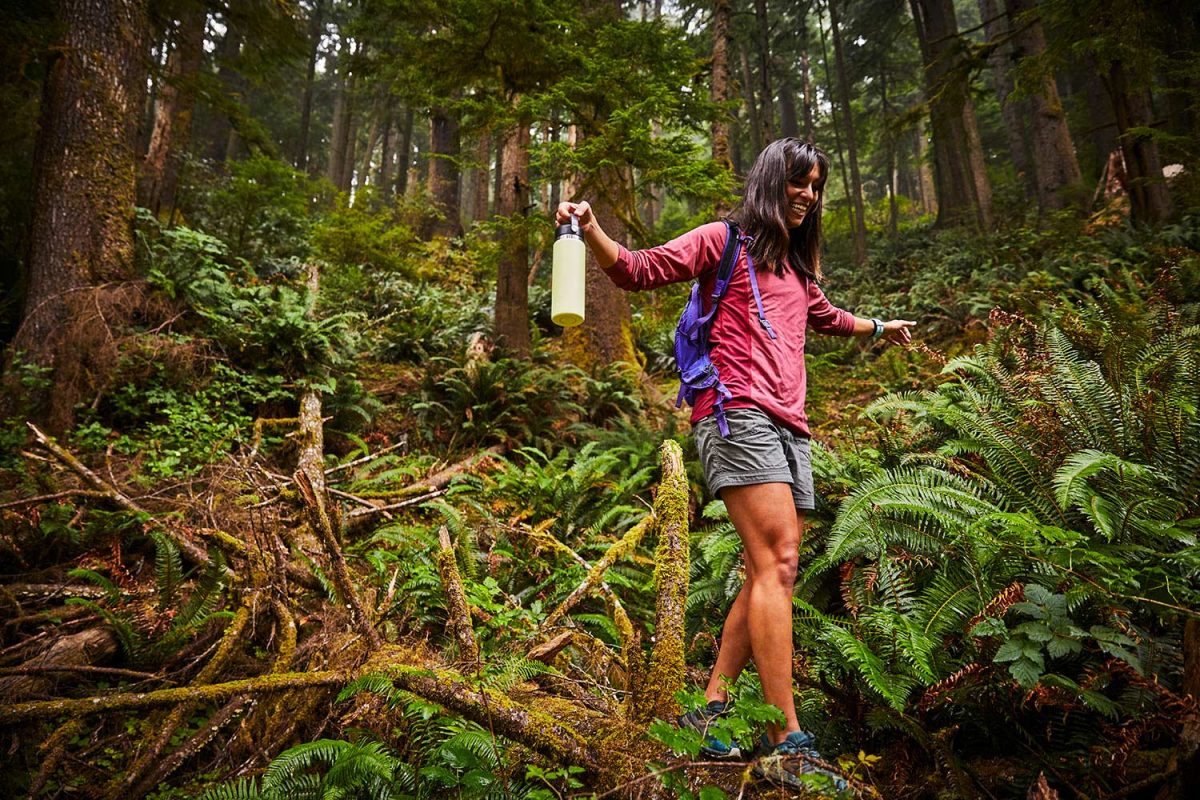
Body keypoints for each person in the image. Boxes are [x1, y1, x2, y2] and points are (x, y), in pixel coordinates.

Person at [555, 138, 914, 789]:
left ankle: (714, 707)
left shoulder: (798, 273)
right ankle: (788, 741)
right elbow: (636, 269)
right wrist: (591, 228)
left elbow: (827, 317)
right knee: (778, 560)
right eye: (799, 182)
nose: (807, 194)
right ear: (773, 182)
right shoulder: (722, 241)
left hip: (789, 426)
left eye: (816, 186)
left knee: (767, 569)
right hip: (733, 412)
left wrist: (880, 328)